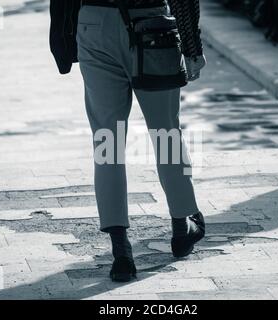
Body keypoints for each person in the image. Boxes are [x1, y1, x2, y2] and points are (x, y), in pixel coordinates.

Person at [49, 0, 206, 282]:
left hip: (94, 22)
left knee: (107, 141)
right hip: (151, 21)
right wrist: (193, 47)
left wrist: (62, 38)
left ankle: (120, 250)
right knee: (166, 133)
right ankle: (182, 225)